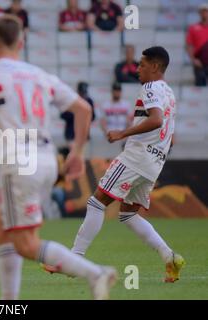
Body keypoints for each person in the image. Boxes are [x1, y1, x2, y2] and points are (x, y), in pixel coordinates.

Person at [0, 14, 117, 300]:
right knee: (2, 226)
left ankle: (95, 273)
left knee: (25, 243)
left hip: (21, 161)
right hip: (47, 159)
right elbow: (83, 109)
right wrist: (76, 152)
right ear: (21, 42)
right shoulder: (39, 74)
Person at [47, 47, 186, 283]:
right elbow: (166, 129)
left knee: (97, 201)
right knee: (128, 215)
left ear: (154, 66)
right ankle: (169, 256)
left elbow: (156, 120)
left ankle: (73, 261)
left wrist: (123, 133)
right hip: (155, 162)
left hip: (136, 156)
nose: (137, 69)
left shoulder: (150, 88)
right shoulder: (169, 92)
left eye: (142, 65)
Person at [186, 3, 208, 86]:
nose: (204, 13)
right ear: (199, 13)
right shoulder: (193, 28)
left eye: (206, 11)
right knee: (200, 87)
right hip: (199, 62)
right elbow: (189, 45)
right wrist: (193, 60)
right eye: (202, 11)